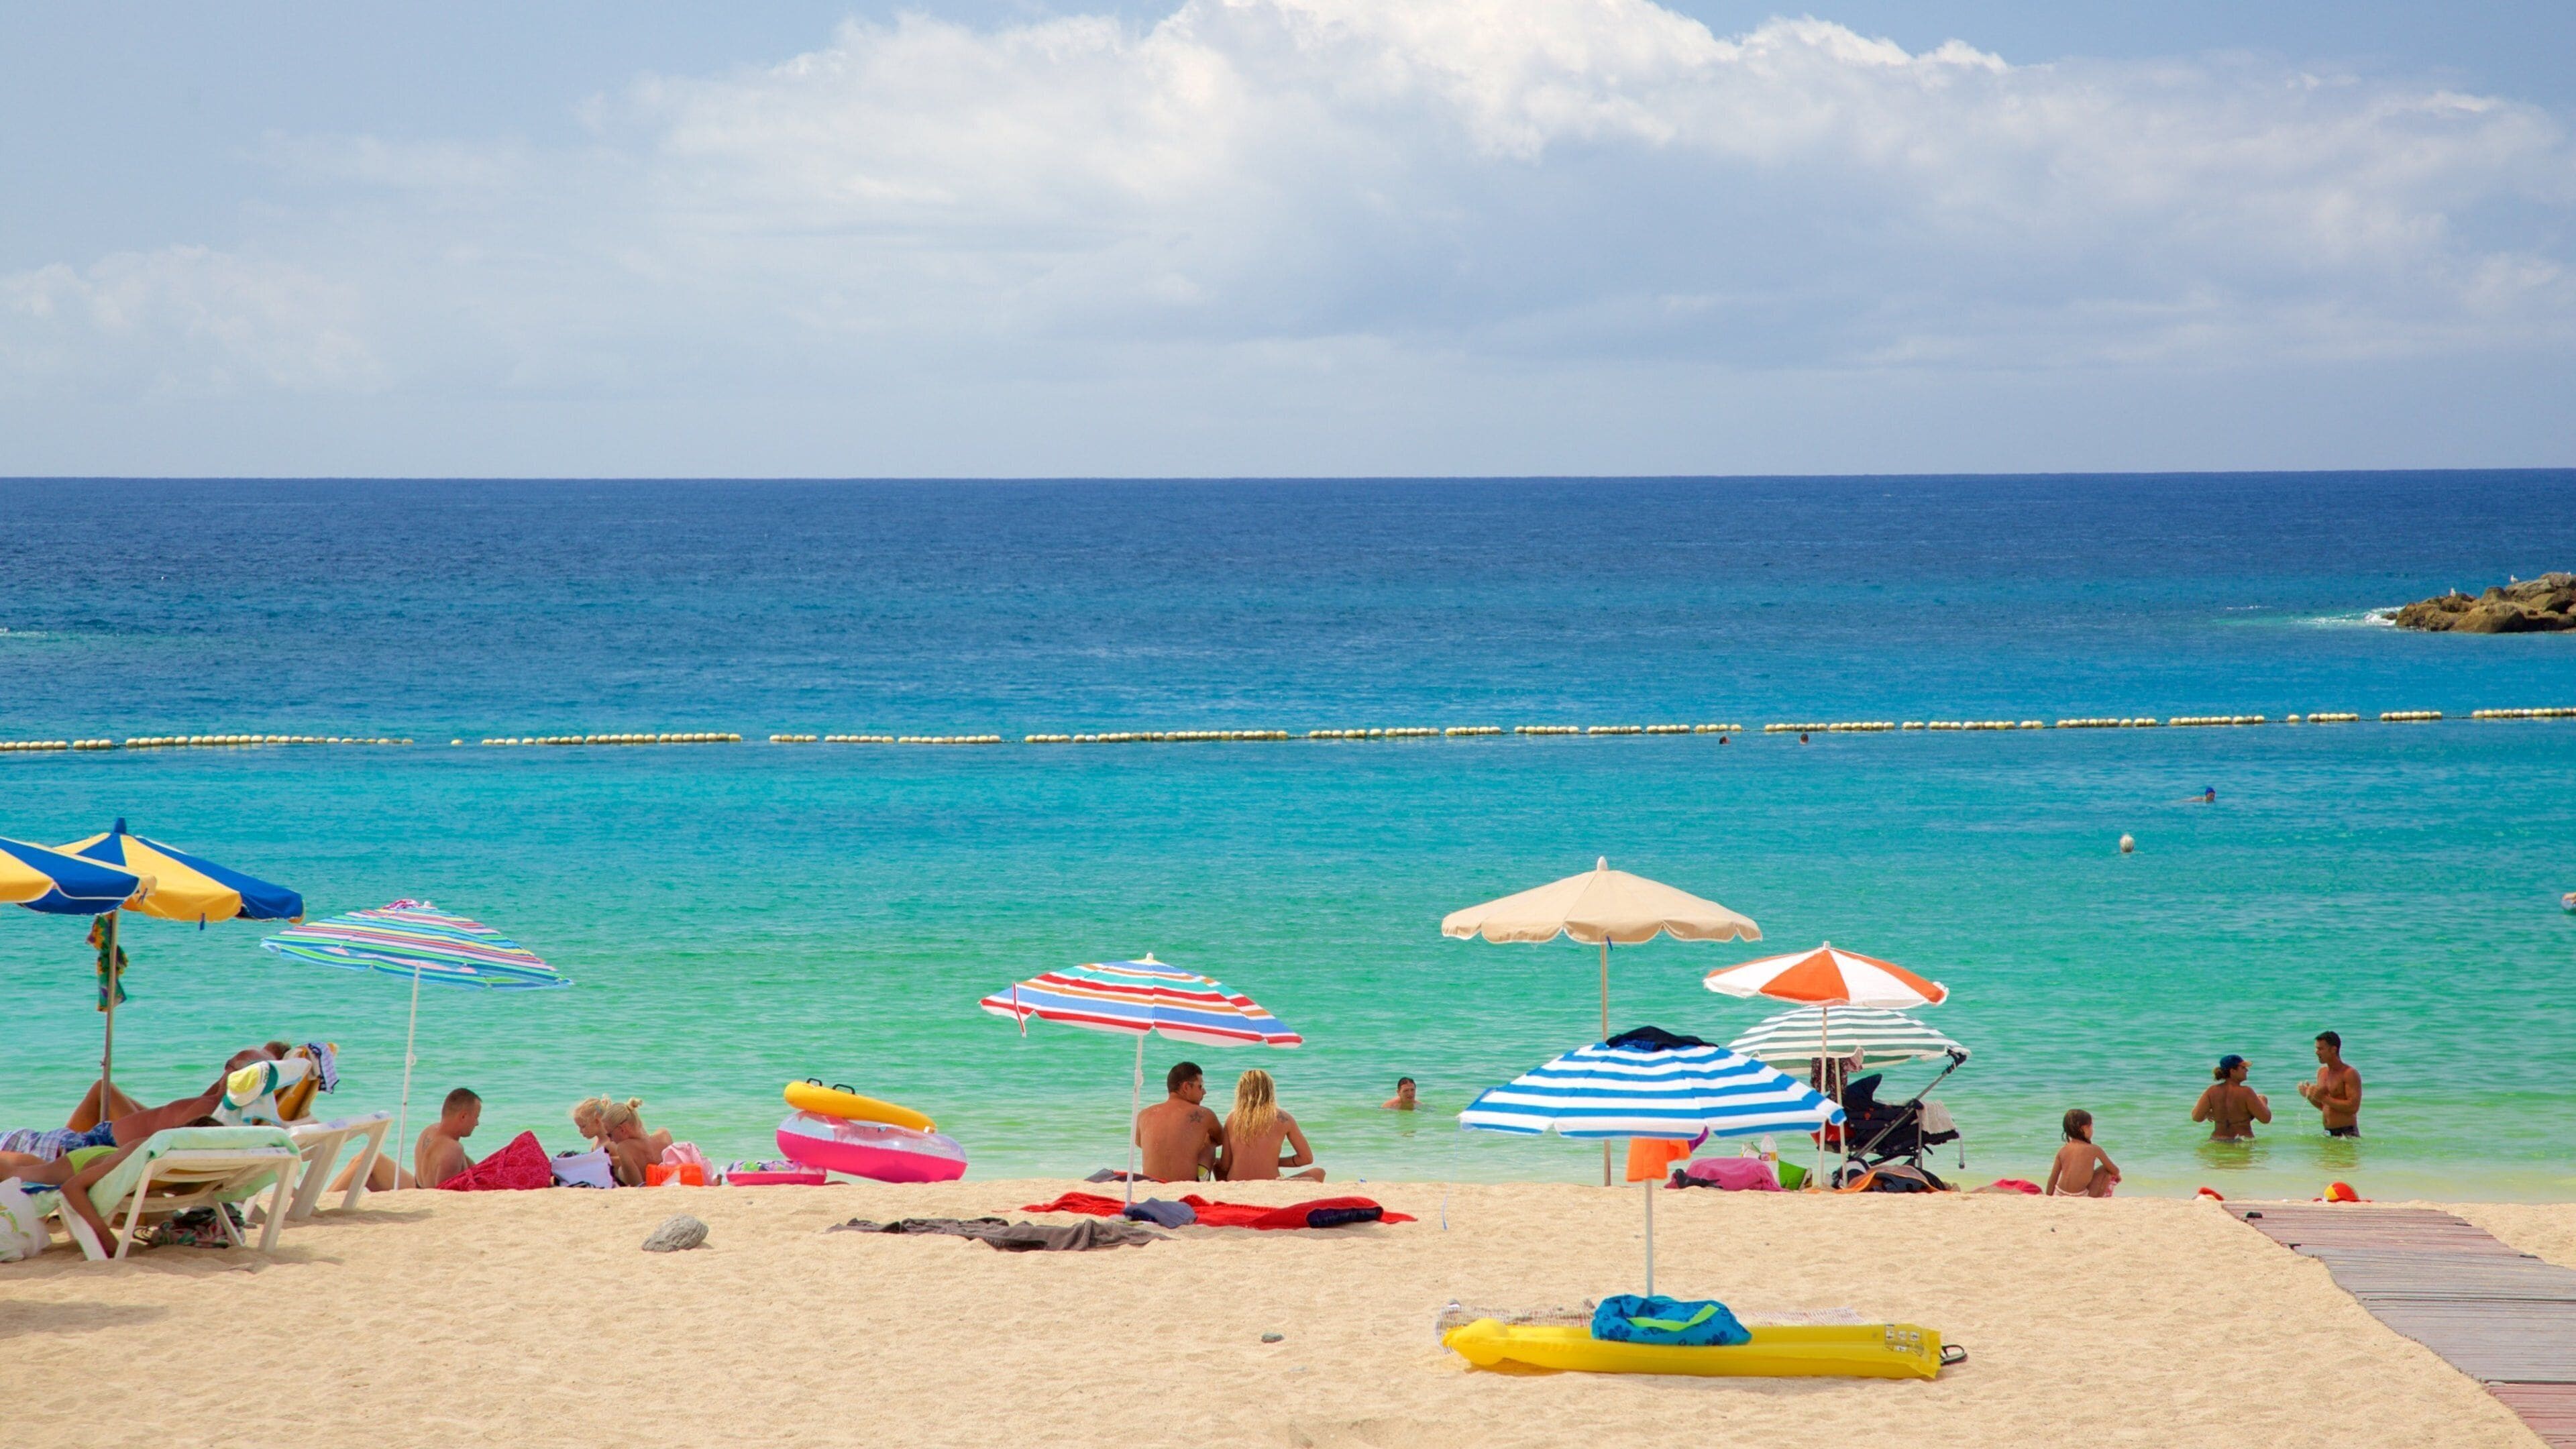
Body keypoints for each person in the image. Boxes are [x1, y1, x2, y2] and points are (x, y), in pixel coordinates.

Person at [1218, 1068, 1324, 1183]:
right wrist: (1275, 1161)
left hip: (1236, 1183)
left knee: (1216, 1165)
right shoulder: (1284, 1118)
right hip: (1270, 1183)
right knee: (1319, 1173)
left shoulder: (1232, 1118)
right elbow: (1306, 1158)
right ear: (1269, 1090)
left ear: (1241, 1092)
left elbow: (1225, 1165)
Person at [1134, 1061, 1222, 1182]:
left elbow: (1139, 1143)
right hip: (1186, 1186)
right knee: (1210, 1141)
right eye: (1200, 1086)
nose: (1204, 1092)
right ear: (1186, 1087)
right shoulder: (1204, 1114)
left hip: (1151, 1186)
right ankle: (1202, 1182)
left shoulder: (1144, 1114)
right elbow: (1221, 1139)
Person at [2191, 1055, 2271, 1141]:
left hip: (2217, 1140)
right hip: (2241, 1141)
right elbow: (2266, 1119)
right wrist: (2263, 1100)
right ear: (2233, 1071)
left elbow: (2196, 1117)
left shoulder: (2212, 1091)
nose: (2247, 1070)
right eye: (2243, 1068)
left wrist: (2207, 1113)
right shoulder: (2246, 1092)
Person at [2297, 1031, 2362, 1137]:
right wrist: (2309, 1096)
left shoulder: (2349, 1073)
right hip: (2327, 1133)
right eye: (2316, 1048)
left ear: (2333, 1050)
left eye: (2320, 1049)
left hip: (2347, 1133)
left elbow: (2353, 1107)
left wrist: (2323, 1098)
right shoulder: (2322, 1072)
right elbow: (2324, 1107)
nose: (2316, 1052)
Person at [415, 1087, 480, 1187]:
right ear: (463, 1116)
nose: (477, 1123)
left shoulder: (428, 1131)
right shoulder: (453, 1150)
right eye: (476, 1117)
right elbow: (446, 1197)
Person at [2044, 1109, 2118, 1197]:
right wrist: (2116, 1176)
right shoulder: (2094, 1149)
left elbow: (2053, 1179)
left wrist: (2048, 1197)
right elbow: (2115, 1170)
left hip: (2059, 1193)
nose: (2092, 1130)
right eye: (2091, 1126)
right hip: (2080, 1195)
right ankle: (2100, 1198)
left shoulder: (2063, 1150)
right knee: (2106, 1170)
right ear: (2084, 1129)